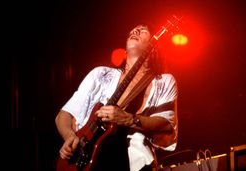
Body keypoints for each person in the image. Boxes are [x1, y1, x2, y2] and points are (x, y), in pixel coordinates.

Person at [55, 23, 178, 171]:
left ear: (153, 46)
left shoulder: (163, 81)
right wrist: (69, 136)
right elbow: (64, 114)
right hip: (85, 159)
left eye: (143, 30)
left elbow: (166, 124)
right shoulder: (100, 74)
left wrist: (128, 118)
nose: (135, 30)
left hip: (134, 163)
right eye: (133, 30)